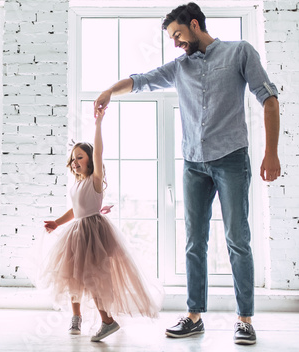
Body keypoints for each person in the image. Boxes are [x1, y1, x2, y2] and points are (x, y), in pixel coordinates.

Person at [93, 2, 280, 346]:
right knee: (195, 242)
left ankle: (245, 320)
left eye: (178, 35)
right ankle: (195, 317)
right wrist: (108, 91)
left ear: (195, 25)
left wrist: (271, 152)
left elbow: (268, 99)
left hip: (231, 159)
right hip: (194, 163)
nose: (176, 42)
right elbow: (142, 80)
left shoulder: (239, 52)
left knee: (238, 240)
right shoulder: (180, 68)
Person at [40, 108, 162, 342]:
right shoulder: (76, 184)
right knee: (72, 275)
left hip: (92, 232)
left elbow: (99, 153)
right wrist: (57, 222)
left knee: (92, 278)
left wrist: (98, 124)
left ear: (90, 161)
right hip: (76, 231)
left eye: (81, 157)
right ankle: (76, 318)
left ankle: (107, 321)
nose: (75, 162)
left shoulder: (95, 181)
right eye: (73, 158)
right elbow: (75, 210)